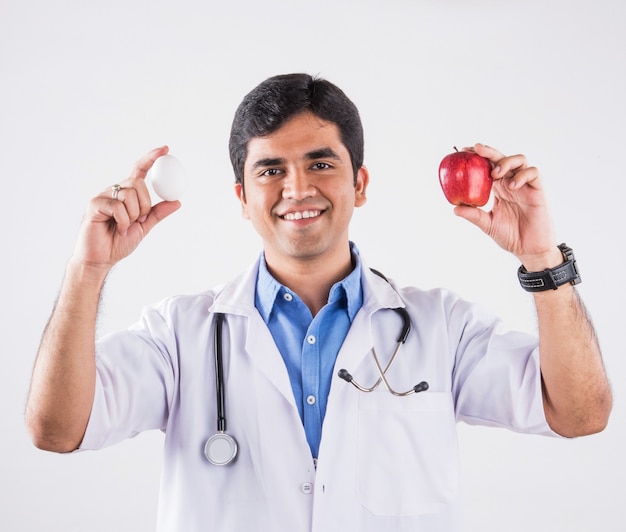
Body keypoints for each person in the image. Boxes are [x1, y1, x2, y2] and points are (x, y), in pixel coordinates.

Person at [26, 73, 612, 531]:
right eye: (271, 170)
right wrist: (88, 270)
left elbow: (581, 414)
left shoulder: (440, 328)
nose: (297, 189)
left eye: (321, 163)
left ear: (359, 182)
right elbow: (55, 428)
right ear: (242, 197)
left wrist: (541, 257)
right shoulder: (181, 335)